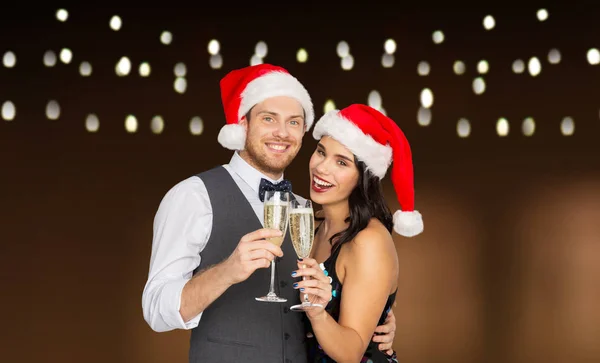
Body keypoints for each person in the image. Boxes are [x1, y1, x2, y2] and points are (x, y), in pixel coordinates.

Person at [141, 64, 397, 363]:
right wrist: (227, 271)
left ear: (303, 131)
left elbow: (353, 286)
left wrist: (380, 318)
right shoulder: (193, 196)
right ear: (243, 123)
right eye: (268, 118)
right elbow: (156, 311)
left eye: (293, 122)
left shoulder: (305, 210)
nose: (281, 132)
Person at [290, 104, 424, 362]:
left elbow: (352, 352)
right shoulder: (311, 226)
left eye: (341, 162)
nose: (322, 168)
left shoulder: (368, 240)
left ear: (363, 177)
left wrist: (317, 312)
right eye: (321, 152)